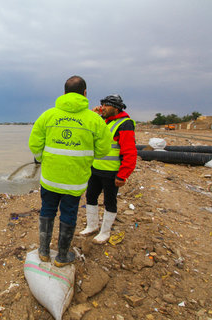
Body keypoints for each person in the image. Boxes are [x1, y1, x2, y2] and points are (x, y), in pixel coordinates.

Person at [29, 76, 111, 267]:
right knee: (69, 213)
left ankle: (43, 252)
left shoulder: (48, 115)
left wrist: (43, 159)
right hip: (75, 180)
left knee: (47, 210)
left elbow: (34, 144)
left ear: (64, 93)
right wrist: (86, 156)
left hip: (50, 178)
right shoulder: (95, 120)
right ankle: (62, 256)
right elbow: (104, 149)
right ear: (85, 93)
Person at [80, 94, 137, 244]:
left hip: (112, 172)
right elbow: (87, 126)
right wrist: (93, 113)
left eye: (106, 105)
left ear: (116, 108)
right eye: (102, 104)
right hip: (96, 169)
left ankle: (104, 232)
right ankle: (92, 226)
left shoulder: (125, 124)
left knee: (109, 202)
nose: (102, 107)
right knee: (90, 197)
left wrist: (123, 175)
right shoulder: (103, 121)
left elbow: (130, 152)